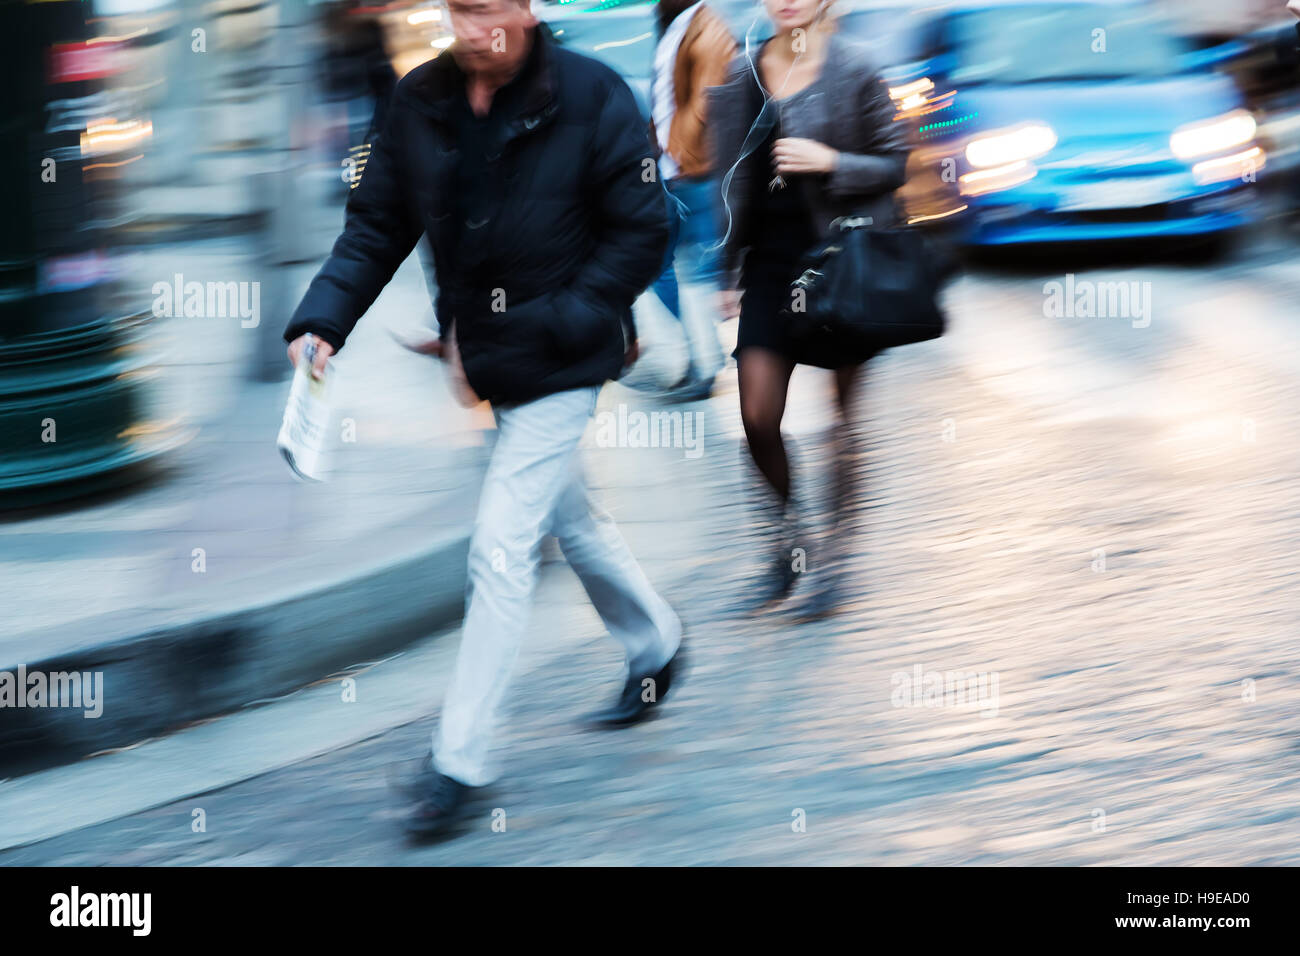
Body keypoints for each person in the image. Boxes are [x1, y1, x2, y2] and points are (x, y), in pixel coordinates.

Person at [283, 0, 685, 841]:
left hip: (571, 354)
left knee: (500, 546)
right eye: (459, 10)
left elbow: (645, 230)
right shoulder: (418, 100)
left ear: (529, 9)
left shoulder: (594, 94)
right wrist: (323, 320)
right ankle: (655, 644)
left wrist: (573, 317)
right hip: (491, 361)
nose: (473, 30)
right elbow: (376, 225)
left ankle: (458, 764)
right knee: (571, 517)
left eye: (489, 10)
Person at [707, 0, 908, 617]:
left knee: (843, 421)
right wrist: (727, 268)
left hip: (843, 260)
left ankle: (836, 563)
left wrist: (832, 163)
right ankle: (788, 548)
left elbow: (896, 162)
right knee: (757, 414)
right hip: (769, 267)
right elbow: (733, 180)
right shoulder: (743, 73)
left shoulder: (857, 67)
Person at [647, 0, 736, 400]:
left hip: (695, 171)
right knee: (659, 265)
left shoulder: (708, 28)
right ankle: (702, 356)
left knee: (697, 275)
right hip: (675, 171)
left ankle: (705, 366)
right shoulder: (678, 24)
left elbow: (707, 100)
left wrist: (681, 151)